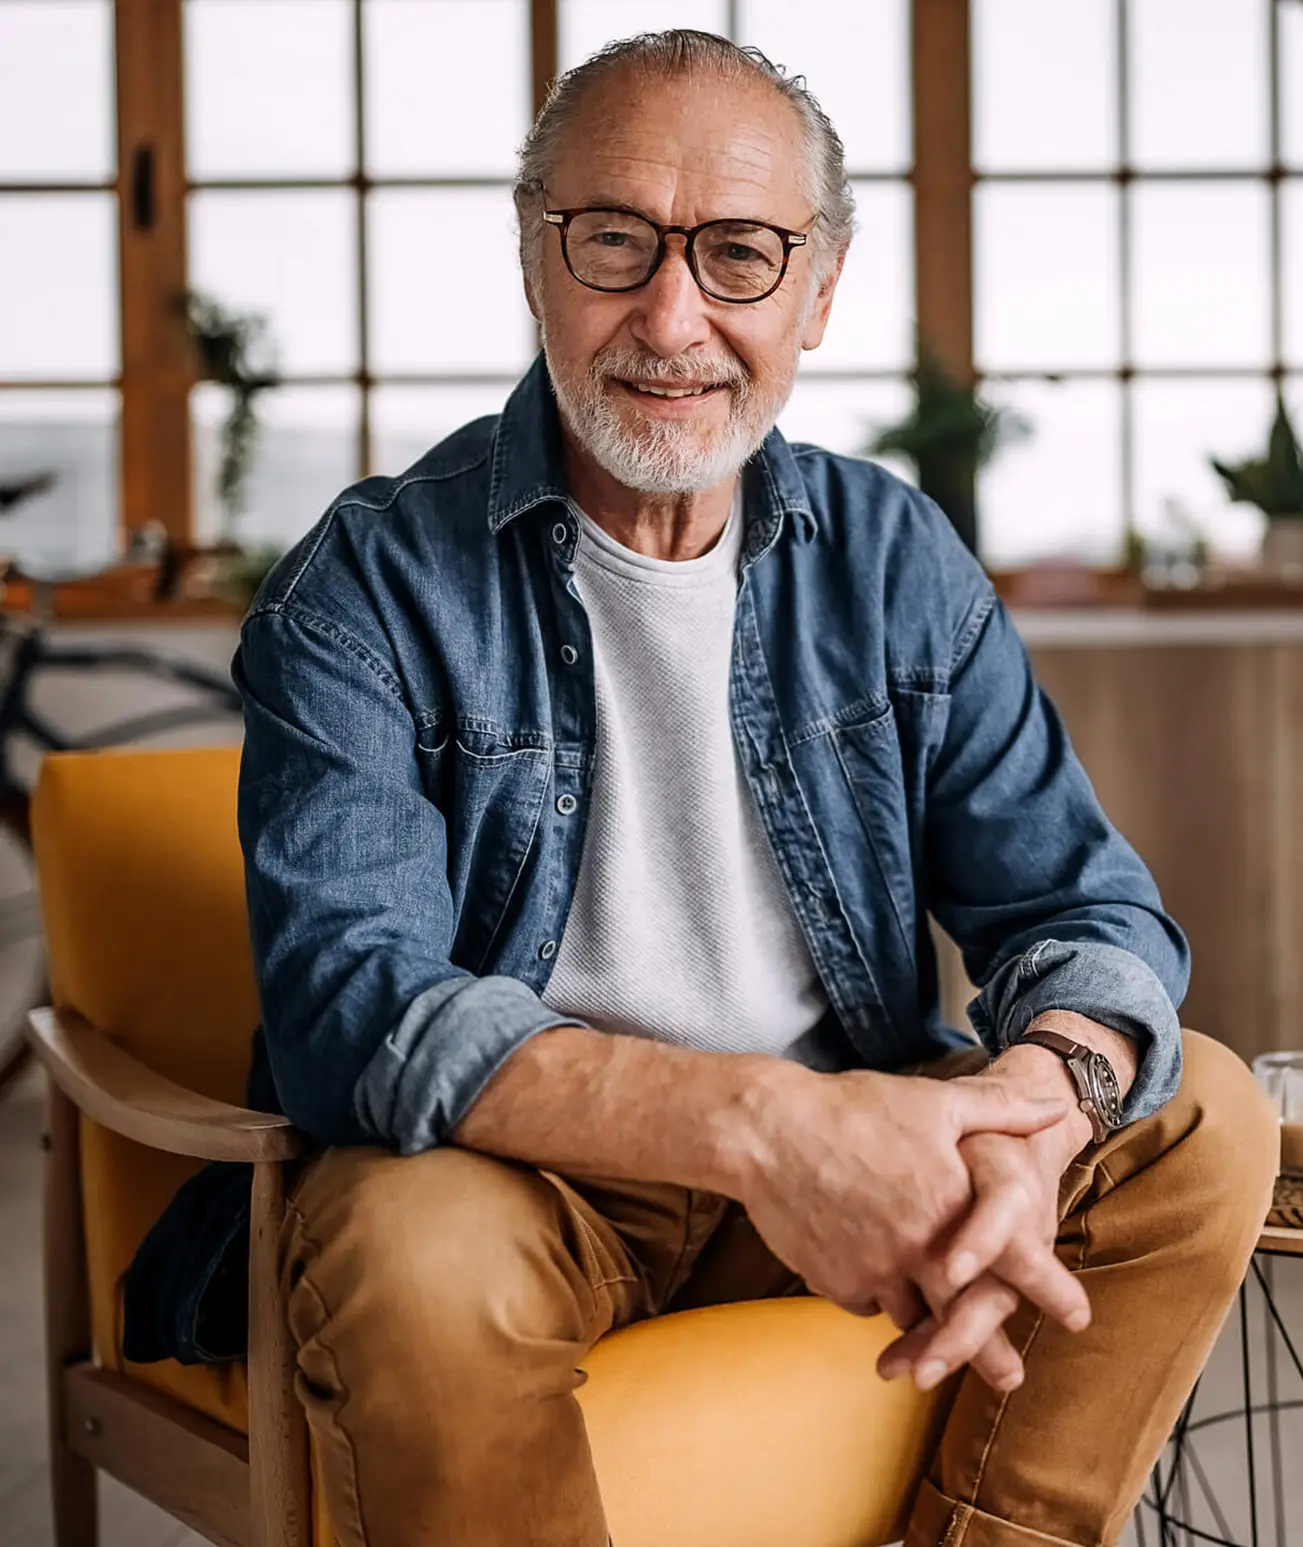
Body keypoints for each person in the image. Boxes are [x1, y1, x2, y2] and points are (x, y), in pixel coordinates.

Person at [233, 30, 1278, 1547]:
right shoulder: (366, 583)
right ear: (535, 256)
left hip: (856, 1131)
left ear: (817, 288)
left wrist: (1031, 1104)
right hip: (526, 1177)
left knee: (1206, 1120)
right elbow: (356, 1006)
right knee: (414, 1249)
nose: (671, 316)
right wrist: (771, 1131)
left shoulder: (891, 558)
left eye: (737, 253)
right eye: (613, 242)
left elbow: (1080, 901)